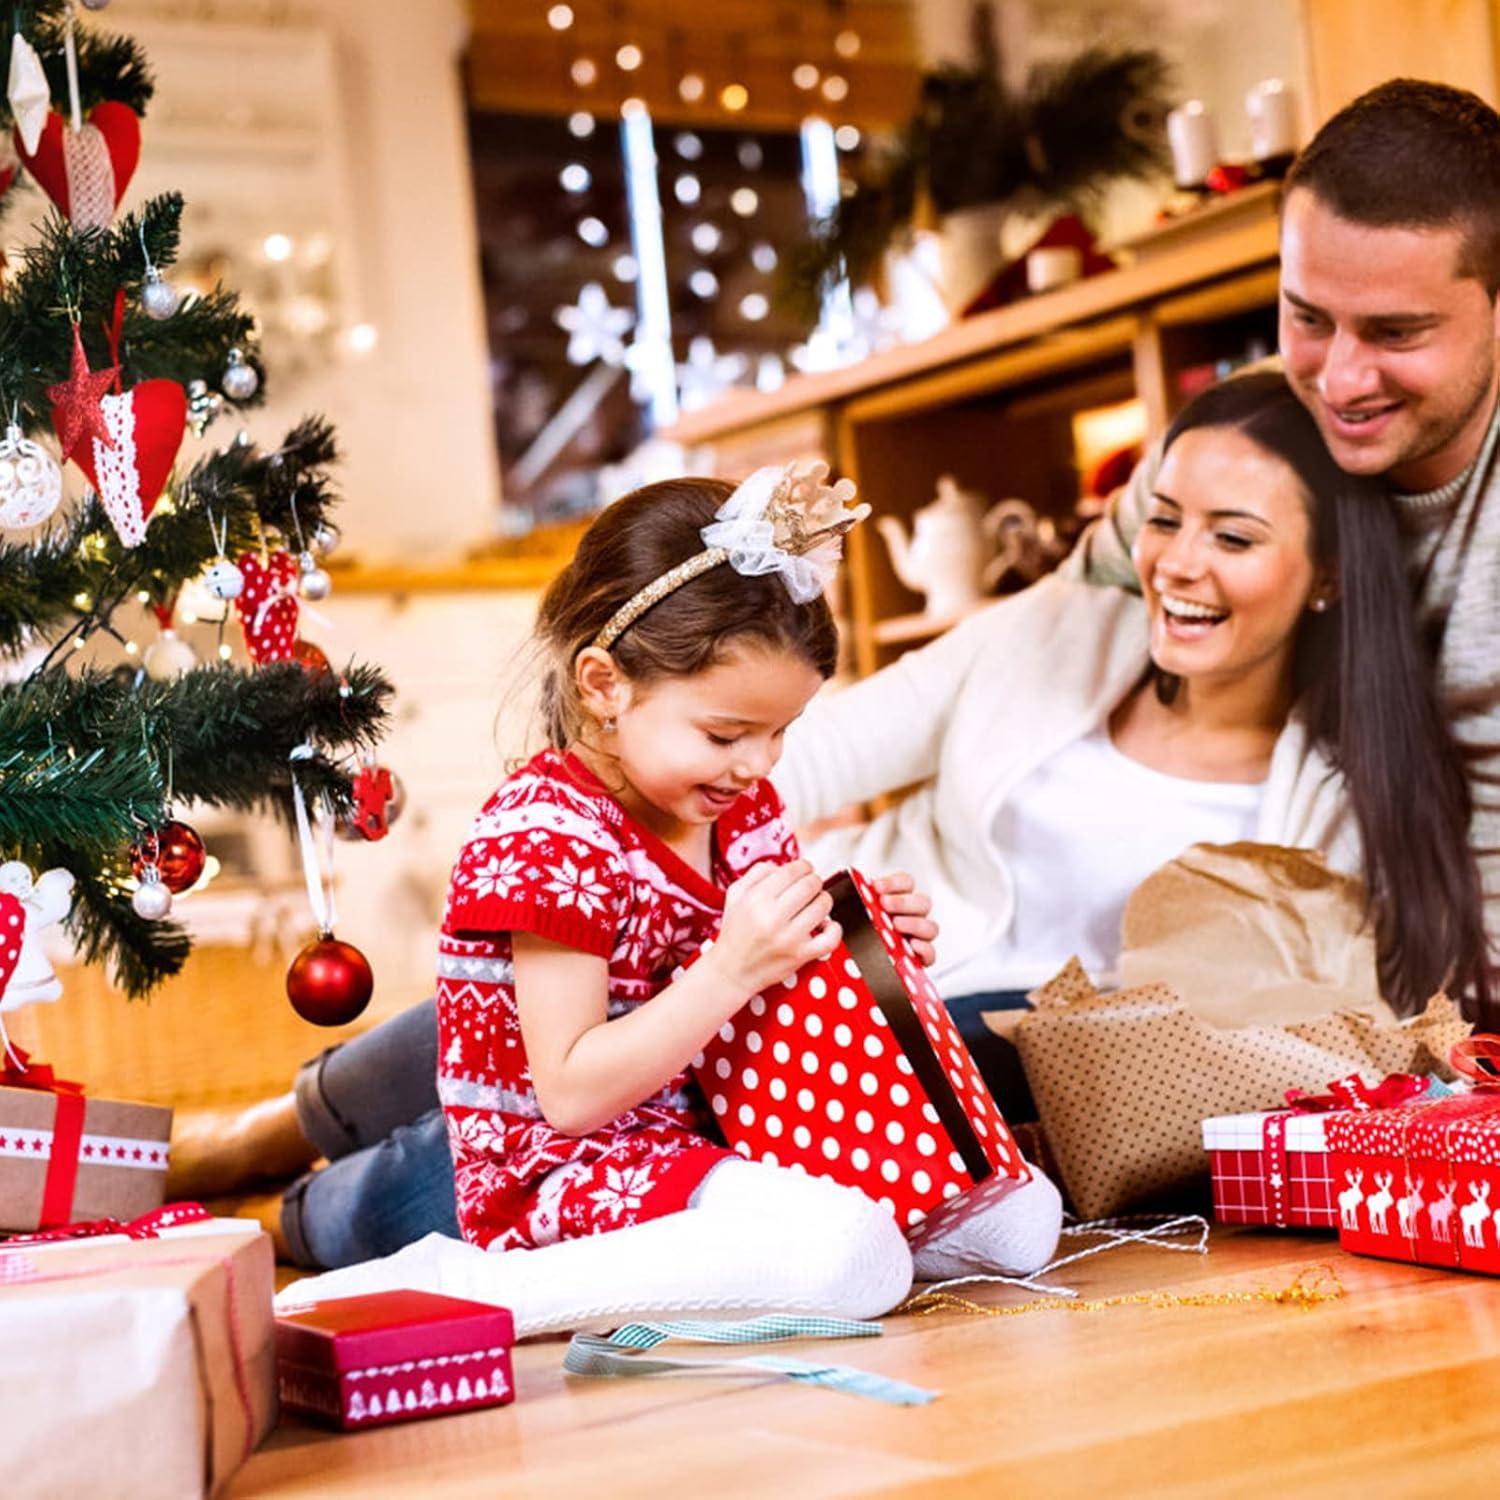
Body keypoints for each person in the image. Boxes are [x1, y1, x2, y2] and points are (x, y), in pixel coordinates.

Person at [272, 462, 1063, 1331]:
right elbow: (571, 1096)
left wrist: (855, 943)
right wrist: (730, 969)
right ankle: (491, 1289)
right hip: (569, 1171)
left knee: (1024, 1220)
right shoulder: (548, 837)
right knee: (853, 1258)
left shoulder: (741, 806)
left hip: (719, 1132)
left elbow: (773, 1008)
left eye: (780, 733)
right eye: (727, 733)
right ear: (606, 686)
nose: (760, 765)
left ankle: (766, 1245)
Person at [775, 372, 1491, 1105]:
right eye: (1165, 519)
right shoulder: (1057, 629)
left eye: (1233, 537)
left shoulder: (1336, 807)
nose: (1178, 563)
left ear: (1328, 576)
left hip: (1044, 1103)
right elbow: (798, 756)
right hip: (828, 1001)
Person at [1070, 78, 1500, 972]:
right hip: (1265, 965)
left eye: (1396, 332)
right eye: (1308, 317)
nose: (1340, 381)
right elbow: (1087, 585)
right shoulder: (1242, 442)